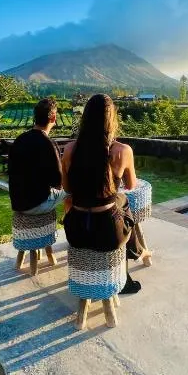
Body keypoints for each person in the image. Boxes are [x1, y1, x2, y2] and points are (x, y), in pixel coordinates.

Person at [62, 93, 150, 294]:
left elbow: (67, 189)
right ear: (112, 119)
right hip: (109, 235)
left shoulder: (69, 150)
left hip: (76, 232)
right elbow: (130, 185)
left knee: (119, 204)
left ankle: (135, 255)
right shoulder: (122, 150)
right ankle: (132, 262)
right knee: (123, 202)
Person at [8, 98, 66, 268]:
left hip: (18, 203)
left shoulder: (20, 140)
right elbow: (58, 182)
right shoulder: (48, 143)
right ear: (53, 118)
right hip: (37, 204)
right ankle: (75, 232)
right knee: (73, 190)